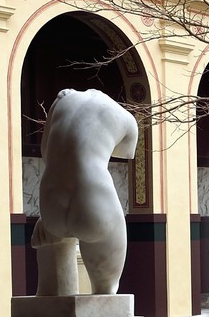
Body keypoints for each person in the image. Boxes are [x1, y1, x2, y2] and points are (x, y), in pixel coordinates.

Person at [31, 88, 138, 295]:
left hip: (50, 201)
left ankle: (50, 294)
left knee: (48, 233)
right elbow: (125, 153)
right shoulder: (127, 119)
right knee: (107, 291)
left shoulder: (62, 99)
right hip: (93, 200)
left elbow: (46, 151)